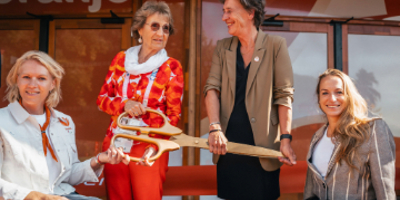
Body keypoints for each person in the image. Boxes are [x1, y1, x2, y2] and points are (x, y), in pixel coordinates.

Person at [0, 50, 130, 200]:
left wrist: (100, 159)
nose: (32, 84)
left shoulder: (64, 121)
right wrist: (41, 197)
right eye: (26, 77)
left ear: (52, 84)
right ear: (17, 81)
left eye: (41, 78)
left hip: (63, 195)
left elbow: (69, 175)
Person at [203, 0, 297, 199]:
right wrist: (215, 127)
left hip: (263, 149)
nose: (224, 18)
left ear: (250, 13)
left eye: (229, 11)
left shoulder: (275, 45)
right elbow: (211, 88)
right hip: (228, 146)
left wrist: (285, 139)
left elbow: (284, 95)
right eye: (223, 12)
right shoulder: (222, 47)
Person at [96, 1, 184, 199]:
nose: (161, 34)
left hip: (148, 145)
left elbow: (173, 116)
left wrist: (155, 147)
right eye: (154, 26)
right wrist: (124, 105)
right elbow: (102, 99)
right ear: (139, 29)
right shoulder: (120, 60)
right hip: (116, 142)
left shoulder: (171, 67)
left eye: (166, 28)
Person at [303, 69, 396, 199]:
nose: (332, 98)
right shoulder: (317, 137)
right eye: (325, 93)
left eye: (339, 92)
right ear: (319, 98)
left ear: (349, 95)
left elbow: (385, 191)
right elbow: (310, 192)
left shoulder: (373, 129)